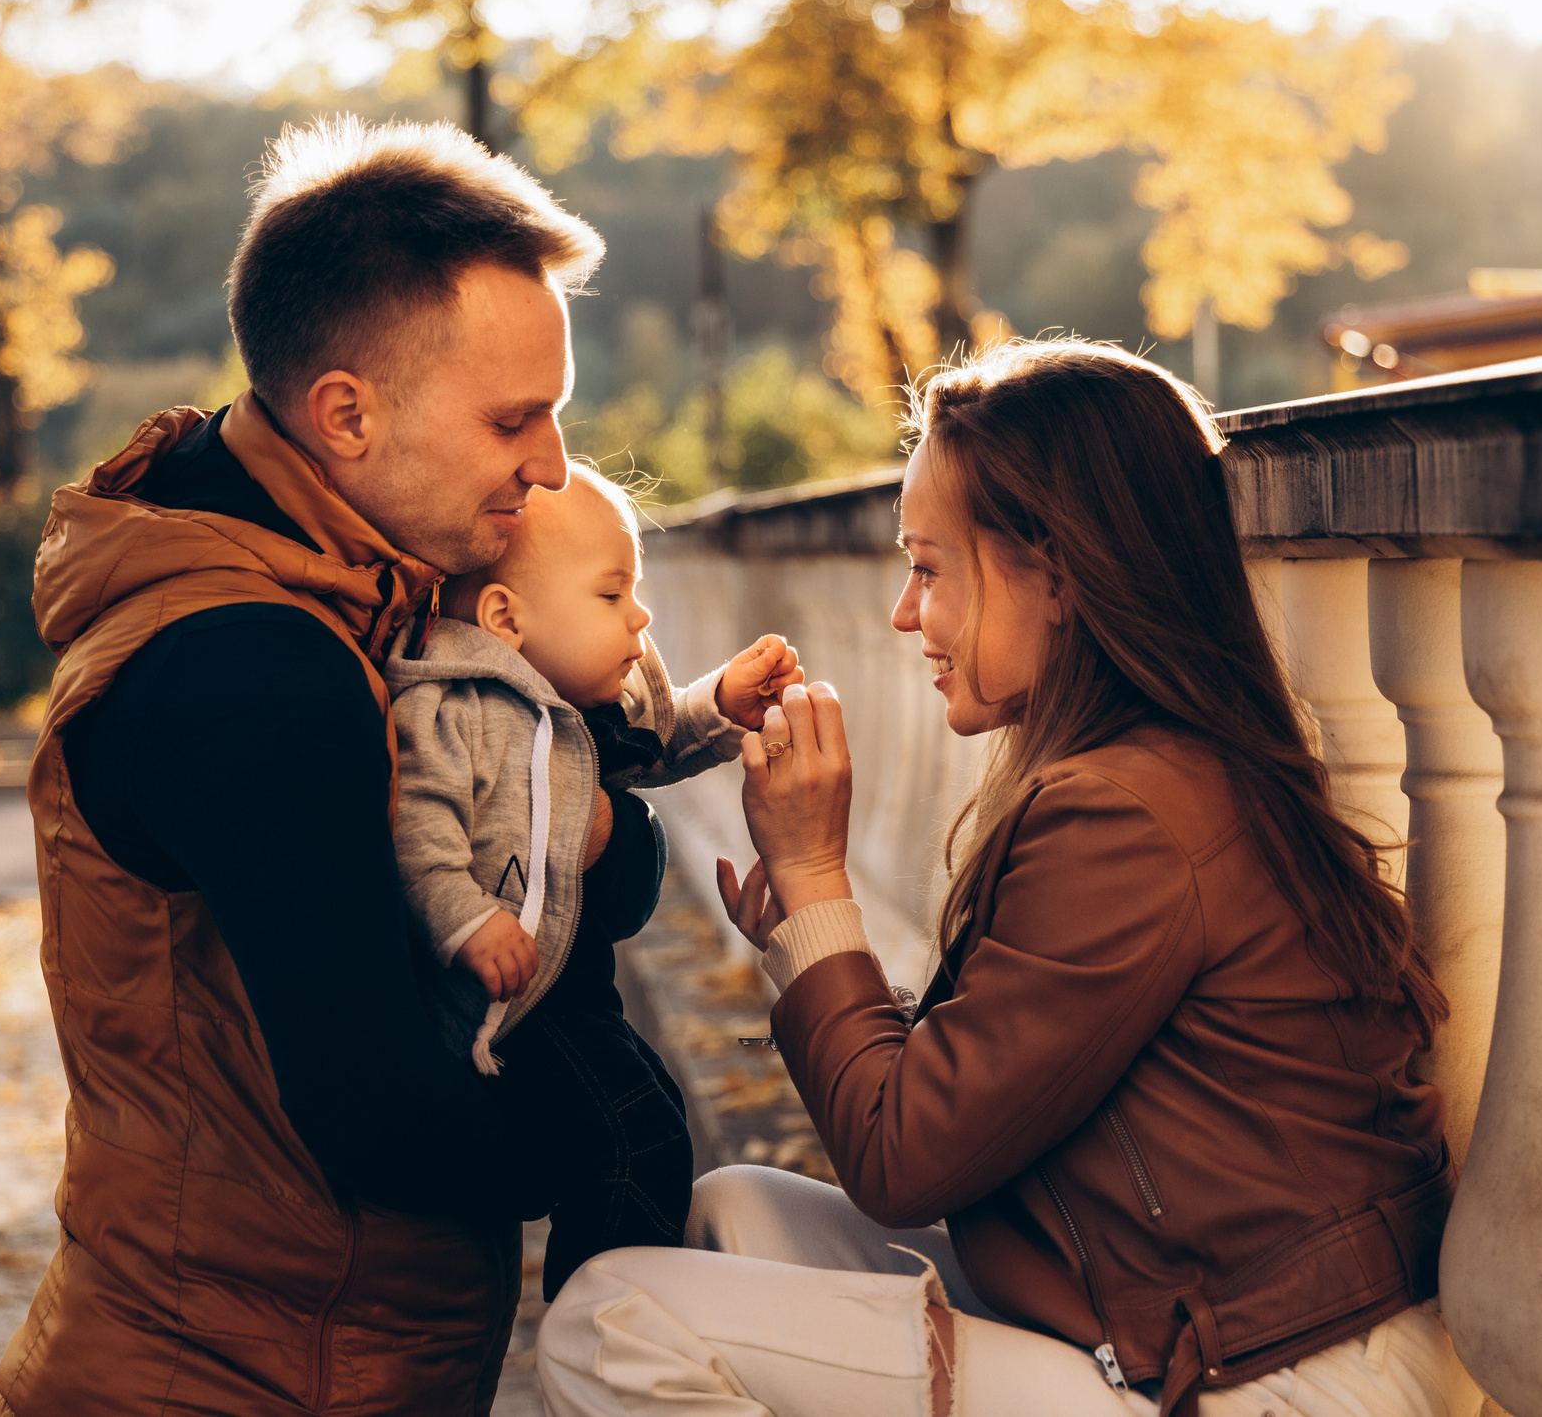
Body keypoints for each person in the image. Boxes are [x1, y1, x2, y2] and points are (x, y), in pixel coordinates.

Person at [538, 340, 1475, 1417]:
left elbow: (901, 1159)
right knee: (731, 1215)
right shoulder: (1155, 775)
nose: (902, 612)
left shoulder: (1125, 816)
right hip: (1171, 1316)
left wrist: (810, 874)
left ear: (1059, 573)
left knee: (610, 1323)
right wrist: (803, 926)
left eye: (929, 568)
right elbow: (973, 1095)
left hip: (1272, 1383)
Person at [0, 116, 617, 1415]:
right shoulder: (254, 662)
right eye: (518, 418)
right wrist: (612, 1143)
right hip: (246, 1379)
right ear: (346, 413)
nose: (552, 467)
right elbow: (376, 1107)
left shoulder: (322, 591)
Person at [388, 465, 802, 1299]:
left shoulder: (574, 708)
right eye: (613, 594)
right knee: (631, 1141)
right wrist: (468, 921)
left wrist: (721, 701)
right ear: (507, 616)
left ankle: (620, 1312)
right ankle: (604, 1328)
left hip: (573, 985)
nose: (640, 616)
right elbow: (420, 832)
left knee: (655, 1115)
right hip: (516, 1001)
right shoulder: (455, 707)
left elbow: (657, 742)